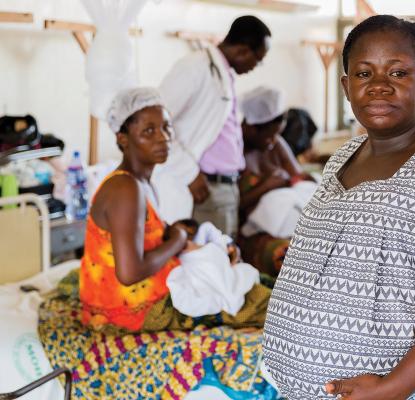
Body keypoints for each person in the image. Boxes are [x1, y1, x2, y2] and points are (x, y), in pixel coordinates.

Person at [262, 15, 415, 400]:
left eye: (398, 72)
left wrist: (393, 387)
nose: (378, 86)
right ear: (346, 86)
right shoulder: (342, 157)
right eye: (363, 74)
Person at [79, 87, 269, 333]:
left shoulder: (139, 183)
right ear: (122, 139)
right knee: (261, 302)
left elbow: (144, 234)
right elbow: (129, 273)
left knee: (248, 283)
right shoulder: (125, 188)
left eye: (166, 127)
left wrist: (194, 239)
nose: (163, 137)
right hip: (128, 312)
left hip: (125, 300)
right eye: (149, 131)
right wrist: (178, 240)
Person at [153, 15, 272, 239]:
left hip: (223, 188)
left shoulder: (223, 73)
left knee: (223, 261)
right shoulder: (195, 67)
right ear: (243, 51)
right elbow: (157, 122)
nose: (256, 67)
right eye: (258, 60)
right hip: (203, 187)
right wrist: (189, 172)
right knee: (209, 262)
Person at [237, 86, 314, 276]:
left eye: (277, 134)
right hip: (253, 231)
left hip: (292, 220)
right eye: (269, 135)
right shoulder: (233, 151)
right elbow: (231, 205)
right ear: (251, 128)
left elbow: (298, 178)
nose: (273, 141)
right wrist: (266, 186)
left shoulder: (276, 143)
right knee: (293, 257)